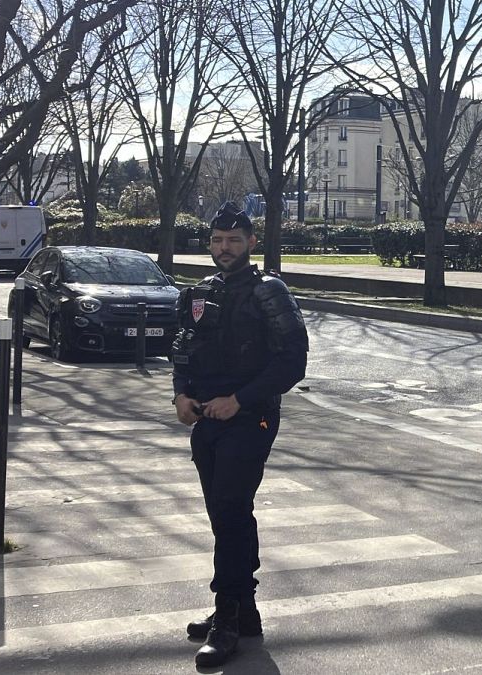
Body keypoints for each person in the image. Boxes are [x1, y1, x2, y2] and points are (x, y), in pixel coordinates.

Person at [172, 203, 308, 667]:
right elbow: (182, 349)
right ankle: (243, 611)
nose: (224, 247)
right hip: (207, 418)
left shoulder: (269, 291)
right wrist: (180, 394)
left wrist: (240, 400)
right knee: (224, 514)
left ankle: (227, 616)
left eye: (233, 240)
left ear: (251, 242)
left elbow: (292, 362)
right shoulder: (201, 291)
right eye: (217, 240)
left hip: (251, 418)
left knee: (230, 509)